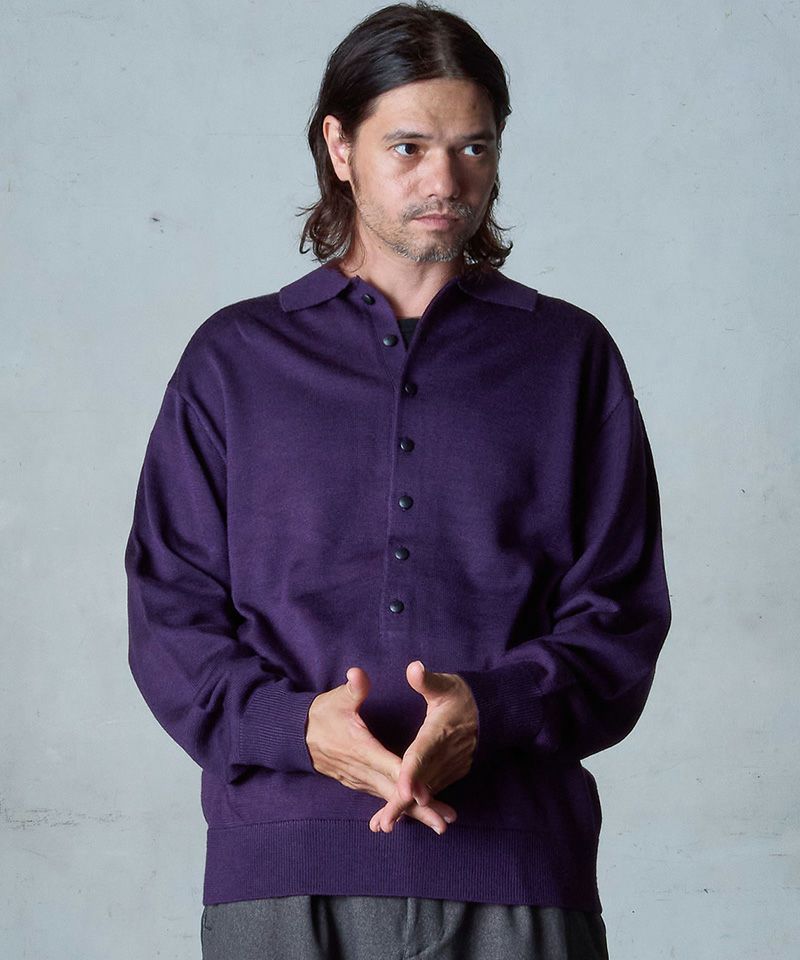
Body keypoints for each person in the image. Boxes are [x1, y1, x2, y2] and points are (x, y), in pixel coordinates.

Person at [124, 2, 672, 957]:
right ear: (339, 146)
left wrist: (493, 711)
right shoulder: (234, 359)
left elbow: (620, 614)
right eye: (409, 147)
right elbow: (170, 614)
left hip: (516, 866)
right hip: (282, 873)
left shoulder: (567, 355)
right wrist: (296, 728)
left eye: (473, 148)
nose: (445, 180)